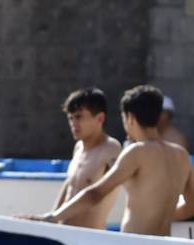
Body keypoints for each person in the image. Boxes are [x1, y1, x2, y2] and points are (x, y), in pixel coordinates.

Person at [29, 85, 194, 236]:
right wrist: (161, 213)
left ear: (130, 117)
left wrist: (52, 217)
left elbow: (95, 194)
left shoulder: (136, 152)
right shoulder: (181, 155)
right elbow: (191, 206)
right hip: (163, 244)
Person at [46, 87, 122, 230]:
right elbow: (70, 185)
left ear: (100, 118)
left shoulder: (111, 149)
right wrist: (51, 218)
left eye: (79, 117)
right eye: (70, 118)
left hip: (89, 240)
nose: (73, 123)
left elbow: (98, 193)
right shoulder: (79, 147)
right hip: (64, 237)